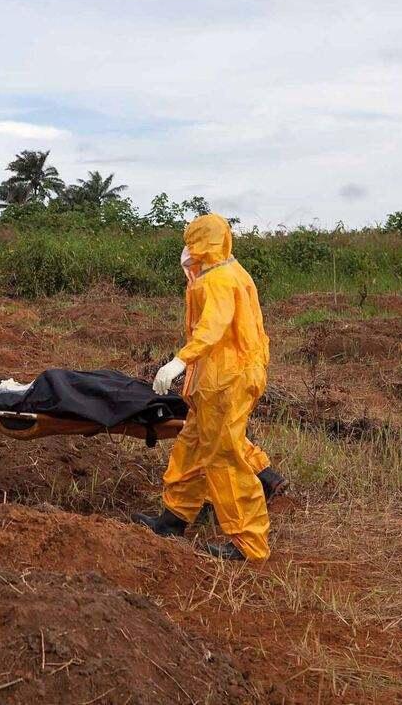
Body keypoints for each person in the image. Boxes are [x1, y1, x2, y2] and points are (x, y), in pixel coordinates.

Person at [132, 213, 279, 561]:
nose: (187, 251)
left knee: (224, 457)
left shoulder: (217, 280)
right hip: (224, 378)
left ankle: (249, 543)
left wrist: (179, 361)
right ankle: (172, 520)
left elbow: (212, 327)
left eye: (191, 243)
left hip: (225, 381)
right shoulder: (235, 272)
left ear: (203, 244)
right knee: (192, 447)